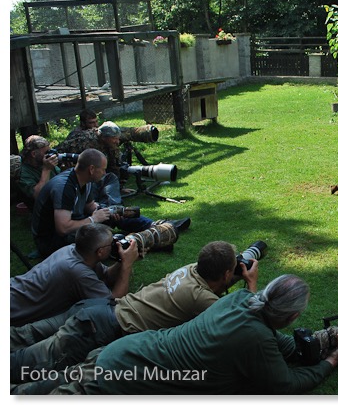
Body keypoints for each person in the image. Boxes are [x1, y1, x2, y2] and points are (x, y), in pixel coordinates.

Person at [50, 274, 338, 395]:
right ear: (292, 316)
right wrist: (331, 361)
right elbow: (286, 384)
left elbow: (286, 348)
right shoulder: (256, 339)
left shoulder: (239, 300)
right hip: (124, 382)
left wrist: (319, 341)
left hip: (124, 350)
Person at [11, 241, 259, 387]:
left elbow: (213, 277)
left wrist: (229, 274)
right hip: (98, 331)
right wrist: (250, 285)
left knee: (24, 336)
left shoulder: (191, 269)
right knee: (33, 367)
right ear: (227, 275)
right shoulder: (201, 299)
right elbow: (242, 319)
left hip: (97, 309)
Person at [30, 148, 155, 258]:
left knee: (113, 213)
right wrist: (93, 219)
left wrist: (108, 212)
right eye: (103, 170)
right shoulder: (64, 187)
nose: (105, 173)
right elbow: (63, 228)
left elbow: (89, 205)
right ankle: (141, 242)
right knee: (110, 241)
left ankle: (154, 226)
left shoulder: (86, 180)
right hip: (51, 240)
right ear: (91, 169)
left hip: (74, 223)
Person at [10, 223, 139, 327]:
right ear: (100, 252)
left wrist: (122, 260)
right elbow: (113, 304)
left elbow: (105, 275)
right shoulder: (78, 272)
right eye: (111, 243)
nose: (115, 245)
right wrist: (127, 265)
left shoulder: (76, 250)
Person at [58, 120, 125, 204]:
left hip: (93, 171)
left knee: (111, 177)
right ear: (104, 137)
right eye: (114, 139)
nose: (117, 141)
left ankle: (110, 205)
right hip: (80, 173)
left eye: (118, 138)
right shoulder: (85, 142)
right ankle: (97, 204)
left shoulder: (109, 144)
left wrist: (119, 187)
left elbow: (114, 165)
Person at [16, 135, 60, 208]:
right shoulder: (23, 172)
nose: (49, 155)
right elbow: (38, 195)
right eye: (46, 152)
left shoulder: (43, 162)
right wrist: (46, 170)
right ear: (34, 154)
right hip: (46, 207)